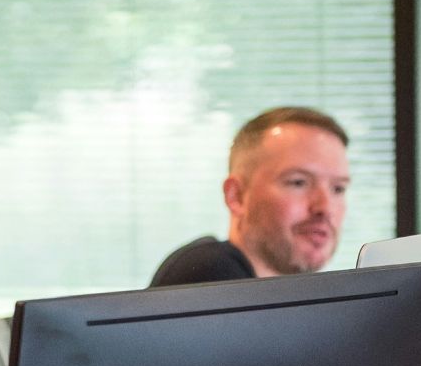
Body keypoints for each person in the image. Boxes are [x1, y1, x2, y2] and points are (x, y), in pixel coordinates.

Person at [150, 106, 350, 287]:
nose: (325, 207)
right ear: (236, 196)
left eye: (338, 189)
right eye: (298, 182)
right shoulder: (210, 275)